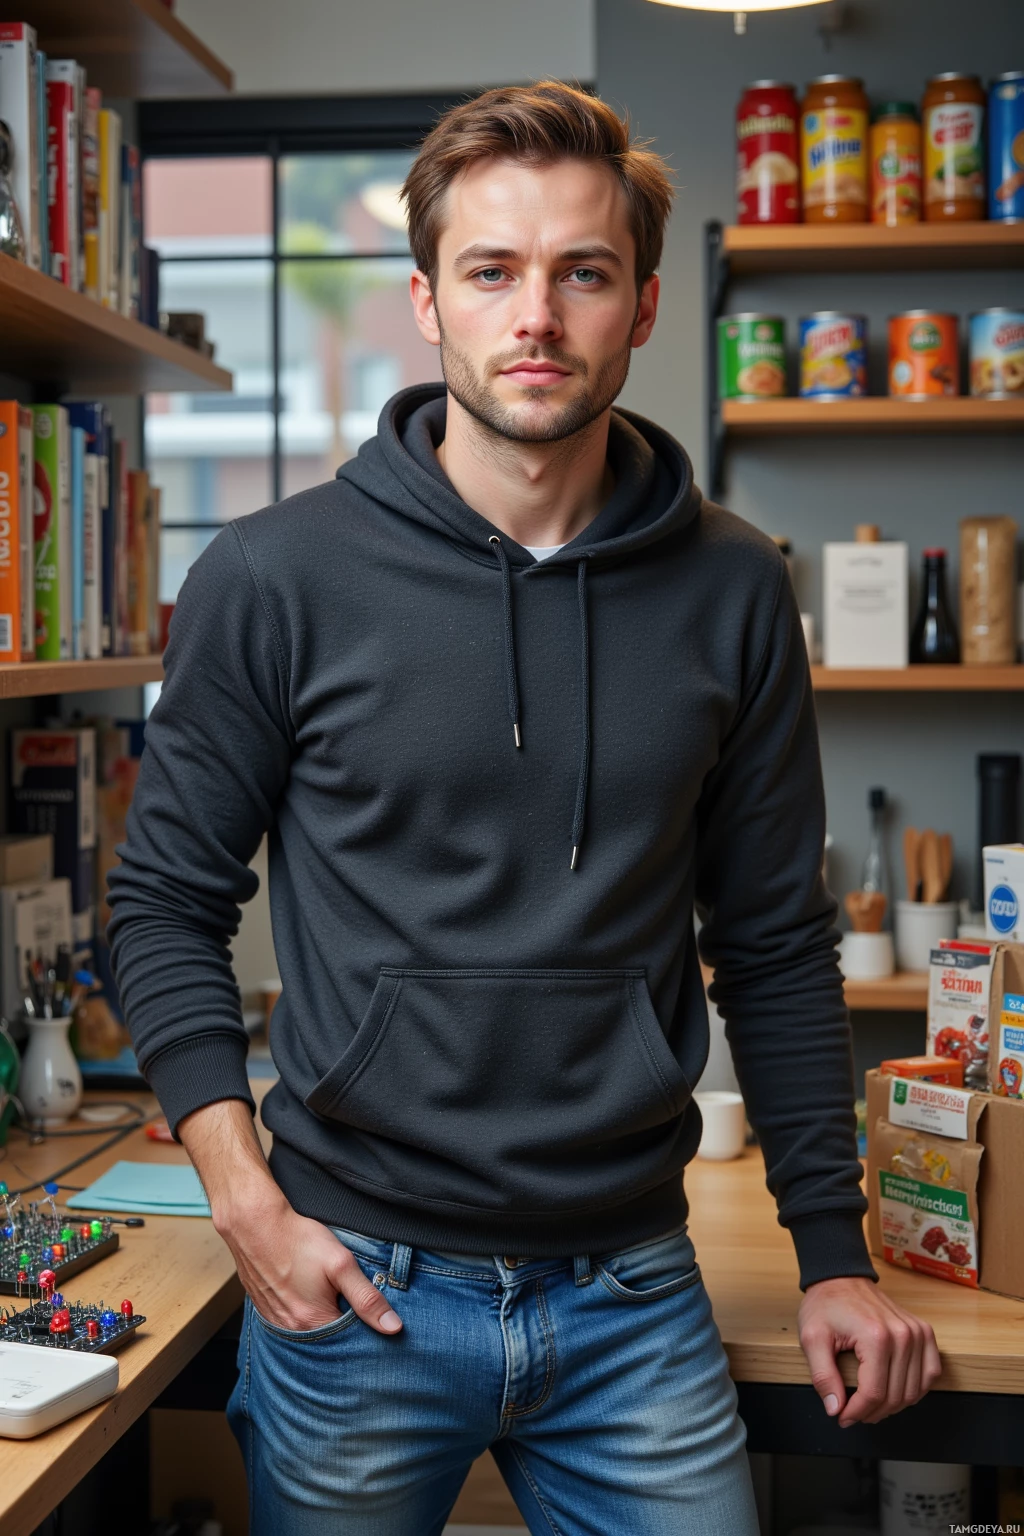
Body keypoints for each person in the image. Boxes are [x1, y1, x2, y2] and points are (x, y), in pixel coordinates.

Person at [107, 81, 941, 1536]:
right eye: (493, 272)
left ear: (645, 305)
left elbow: (778, 944)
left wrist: (832, 1252)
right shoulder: (273, 580)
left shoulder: (737, 588)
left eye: (583, 273)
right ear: (427, 300)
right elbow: (163, 902)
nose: (537, 316)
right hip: (356, 1285)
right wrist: (247, 1201)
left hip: (631, 1290)